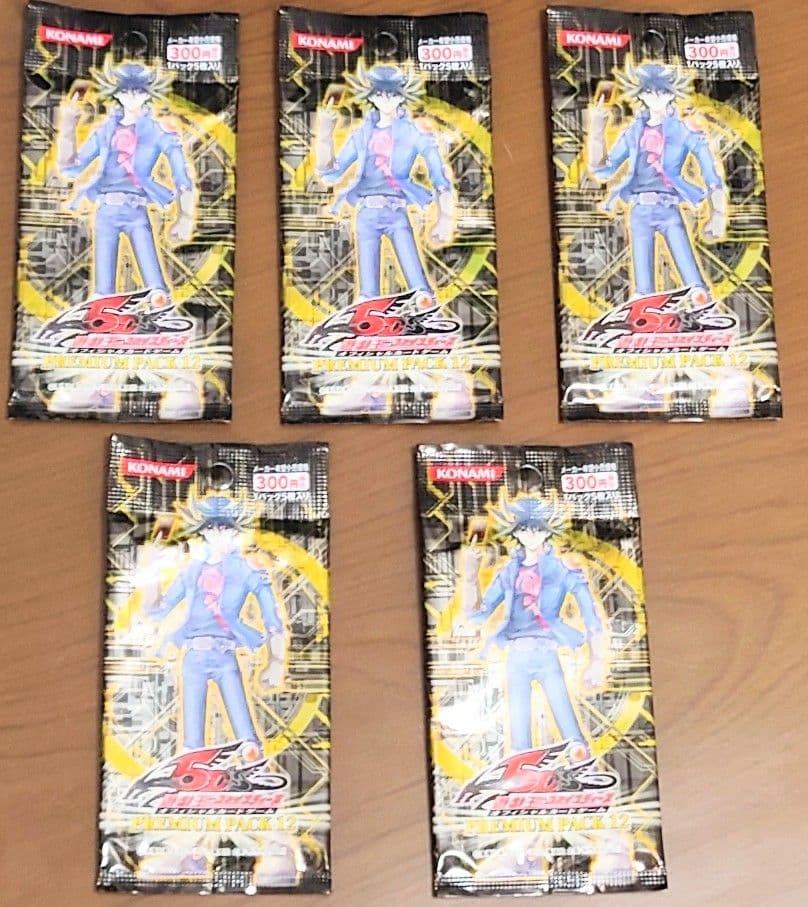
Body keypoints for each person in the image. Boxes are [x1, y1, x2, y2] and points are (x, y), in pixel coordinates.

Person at [138, 492, 286, 758]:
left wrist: (276, 661)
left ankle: (252, 760)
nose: (219, 534)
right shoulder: (190, 571)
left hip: (225, 655)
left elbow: (272, 619)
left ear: (235, 531)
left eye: (226, 528)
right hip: (192, 657)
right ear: (203, 531)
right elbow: (157, 610)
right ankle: (191, 763)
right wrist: (151, 569)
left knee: (246, 737)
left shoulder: (246, 570)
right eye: (212, 528)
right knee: (191, 743)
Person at [460, 494, 606, 756]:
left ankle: (580, 760)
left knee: (568, 724)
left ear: (548, 530)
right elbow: (477, 615)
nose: (530, 534)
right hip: (515, 658)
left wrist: (597, 661)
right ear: (515, 532)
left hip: (547, 654)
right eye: (524, 528)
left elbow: (590, 616)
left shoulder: (561, 570)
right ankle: (522, 766)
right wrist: (470, 576)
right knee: (519, 736)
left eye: (537, 528)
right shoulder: (508, 572)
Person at [314, 60, 454, 308]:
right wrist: (325, 134)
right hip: (366, 213)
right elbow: (331, 172)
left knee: (418, 285)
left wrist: (445, 218)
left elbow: (439, 179)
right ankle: (369, 308)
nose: (386, 99)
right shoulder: (362, 134)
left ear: (402, 96)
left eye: (392, 94)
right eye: (379, 94)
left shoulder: (413, 134)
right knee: (368, 293)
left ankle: (424, 303)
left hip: (396, 212)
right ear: (370, 96)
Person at [586, 60, 726, 299]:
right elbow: (603, 170)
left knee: (691, 277)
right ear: (640, 95)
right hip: (639, 210)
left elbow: (710, 174)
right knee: (643, 288)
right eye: (649, 92)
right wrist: (598, 127)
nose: (655, 97)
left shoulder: (683, 131)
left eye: (661, 91)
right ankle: (644, 306)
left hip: (669, 208)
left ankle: (700, 300)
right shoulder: (634, 132)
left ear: (672, 94)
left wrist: (718, 215)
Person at [57, 58, 195, 298]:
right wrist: (68, 124)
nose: (131, 97)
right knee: (103, 291)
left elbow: (182, 178)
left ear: (148, 94)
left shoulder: (158, 132)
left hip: (136, 210)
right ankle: (103, 311)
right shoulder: (105, 131)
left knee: (155, 285)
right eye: (125, 91)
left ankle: (159, 304)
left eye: (138, 92)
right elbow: (71, 169)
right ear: (116, 93)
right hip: (105, 212)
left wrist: (185, 217)